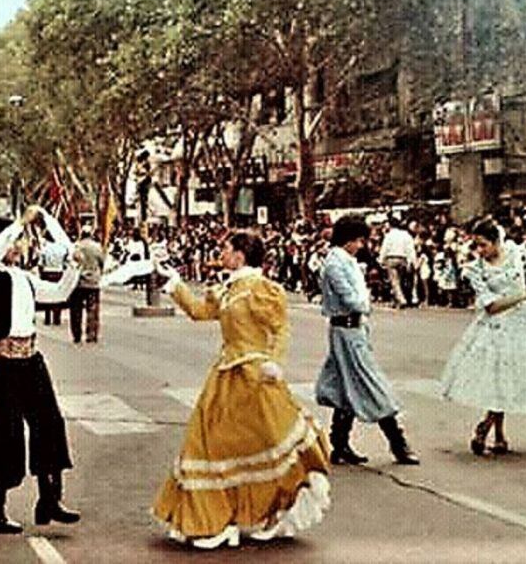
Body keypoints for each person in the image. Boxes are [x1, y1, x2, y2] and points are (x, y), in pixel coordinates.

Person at [152, 231, 331, 549]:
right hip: (225, 377)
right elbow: (199, 311)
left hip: (256, 377)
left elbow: (280, 329)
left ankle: (273, 509)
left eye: (226, 248)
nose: (221, 252)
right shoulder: (228, 288)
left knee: (263, 445)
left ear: (240, 255)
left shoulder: (261, 289)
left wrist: (274, 363)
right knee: (208, 444)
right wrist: (175, 282)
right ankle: (220, 520)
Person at [0, 205, 81, 534]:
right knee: (3, 434)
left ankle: (50, 498)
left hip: (31, 360)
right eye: (14, 241)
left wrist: (73, 267)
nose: (19, 245)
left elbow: (60, 292)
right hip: (1, 365)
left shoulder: (25, 278)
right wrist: (20, 221)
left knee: (50, 424)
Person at [440, 219, 526, 456]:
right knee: (499, 379)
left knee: (510, 379)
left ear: (496, 241)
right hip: (495, 326)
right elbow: (492, 306)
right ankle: (493, 432)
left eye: (483, 245)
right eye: (476, 246)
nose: (480, 251)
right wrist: (525, 296)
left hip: (523, 324)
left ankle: (492, 429)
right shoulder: (476, 268)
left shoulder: (518, 254)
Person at [316, 215, 420, 466]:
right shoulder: (335, 264)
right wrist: (365, 303)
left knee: (346, 385)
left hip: (353, 329)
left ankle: (339, 444)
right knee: (371, 383)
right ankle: (397, 442)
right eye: (359, 240)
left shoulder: (346, 261)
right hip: (347, 329)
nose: (361, 245)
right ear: (349, 239)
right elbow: (352, 299)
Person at [70, 225, 105, 344]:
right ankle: (91, 334)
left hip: (78, 282)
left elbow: (70, 263)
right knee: (92, 310)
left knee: (76, 310)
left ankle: (77, 334)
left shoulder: (76, 247)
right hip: (93, 282)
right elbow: (102, 263)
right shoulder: (97, 247)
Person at [378, 216, 417, 308]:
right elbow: (410, 249)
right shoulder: (406, 235)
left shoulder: (389, 235)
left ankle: (401, 299)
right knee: (401, 280)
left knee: (394, 281)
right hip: (403, 258)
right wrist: (412, 260)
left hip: (391, 258)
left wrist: (381, 260)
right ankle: (397, 300)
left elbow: (385, 248)